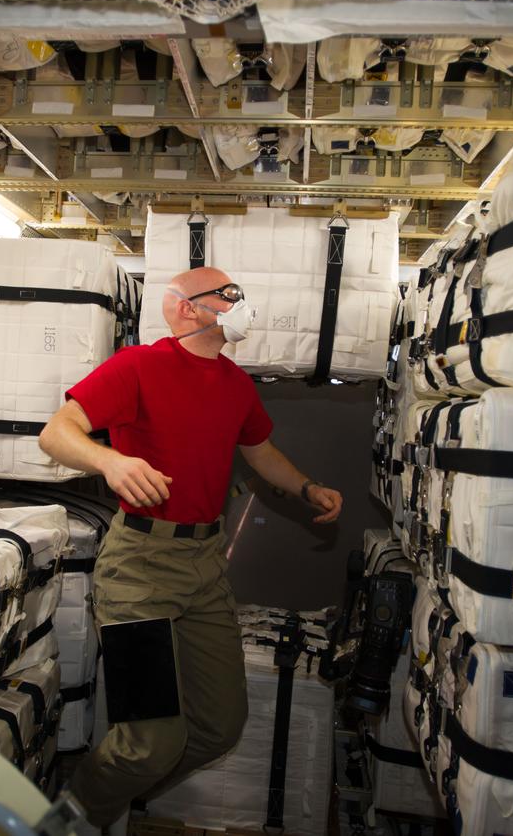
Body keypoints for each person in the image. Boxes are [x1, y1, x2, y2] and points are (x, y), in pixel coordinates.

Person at [38, 266, 343, 833]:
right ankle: (70, 819)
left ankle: (108, 799)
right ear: (184, 308)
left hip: (204, 568)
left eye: (239, 294)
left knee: (221, 726)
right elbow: (57, 432)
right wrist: (111, 460)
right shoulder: (138, 366)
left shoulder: (234, 383)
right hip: (139, 569)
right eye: (226, 295)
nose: (238, 302)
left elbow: (259, 451)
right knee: (151, 740)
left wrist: (305, 488)